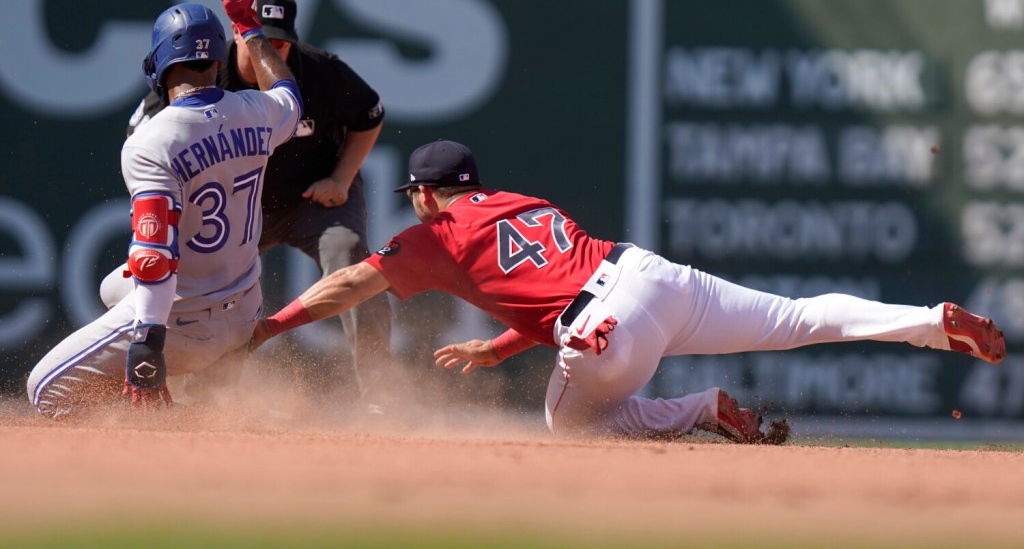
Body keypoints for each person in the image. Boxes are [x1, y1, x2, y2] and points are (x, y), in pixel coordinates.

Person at [247, 139, 1007, 442]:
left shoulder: (434, 235)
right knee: (800, 317)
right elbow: (559, 284)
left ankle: (701, 410)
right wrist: (503, 342)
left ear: (423, 195)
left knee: (573, 427)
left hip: (605, 325)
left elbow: (346, 282)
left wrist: (267, 330)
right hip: (652, 277)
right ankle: (930, 323)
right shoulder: (523, 202)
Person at [103, 0, 392, 409]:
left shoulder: (319, 71)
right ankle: (207, 395)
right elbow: (145, 140)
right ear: (238, 37)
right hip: (235, 209)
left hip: (311, 200)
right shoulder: (203, 77)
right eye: (261, 38)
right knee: (195, 283)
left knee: (348, 254)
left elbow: (370, 116)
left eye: (281, 42)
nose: (272, 49)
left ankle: (380, 395)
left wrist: (342, 177)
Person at [27, 0, 302, 416]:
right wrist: (249, 26)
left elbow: (154, 256)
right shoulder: (259, 111)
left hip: (182, 323)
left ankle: (163, 428)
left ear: (157, 64)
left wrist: (147, 344)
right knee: (112, 287)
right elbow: (289, 91)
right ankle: (210, 371)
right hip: (245, 310)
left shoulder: (151, 140)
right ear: (216, 60)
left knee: (44, 393)